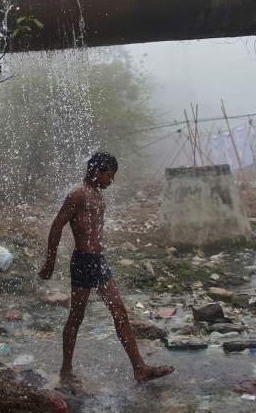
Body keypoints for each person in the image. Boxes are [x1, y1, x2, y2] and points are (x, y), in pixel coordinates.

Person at [39, 152, 174, 391]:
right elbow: (57, 225)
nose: (111, 181)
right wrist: (50, 261)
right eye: (109, 175)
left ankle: (139, 368)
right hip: (82, 261)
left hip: (98, 261)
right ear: (96, 170)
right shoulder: (77, 194)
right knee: (76, 316)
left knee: (119, 312)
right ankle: (66, 371)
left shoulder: (98, 197)